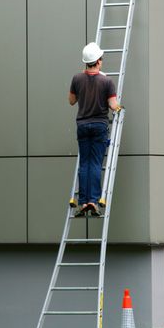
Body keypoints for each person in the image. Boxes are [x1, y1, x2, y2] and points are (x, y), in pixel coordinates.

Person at [69, 42, 121, 217]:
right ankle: (93, 200)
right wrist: (119, 108)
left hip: (82, 125)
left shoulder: (77, 79)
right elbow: (113, 105)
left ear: (86, 62)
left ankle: (83, 202)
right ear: (98, 61)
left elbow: (71, 101)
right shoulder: (106, 81)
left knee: (84, 163)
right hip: (99, 125)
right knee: (96, 164)